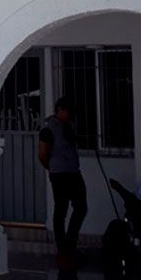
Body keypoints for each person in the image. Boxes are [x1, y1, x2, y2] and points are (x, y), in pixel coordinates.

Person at [39, 97, 87, 260]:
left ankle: (70, 243)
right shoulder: (48, 129)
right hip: (59, 174)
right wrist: (52, 168)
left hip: (73, 172)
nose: (69, 115)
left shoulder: (70, 126)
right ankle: (62, 248)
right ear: (60, 110)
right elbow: (43, 154)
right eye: (67, 112)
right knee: (61, 210)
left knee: (81, 207)